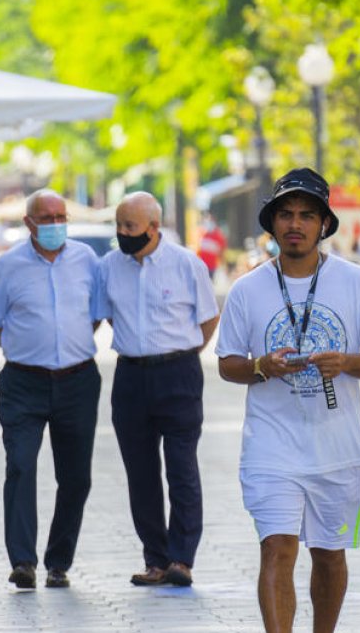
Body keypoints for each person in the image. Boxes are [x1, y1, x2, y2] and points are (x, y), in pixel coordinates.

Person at [216, 168, 360, 633]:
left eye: (306, 215)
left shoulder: (356, 283)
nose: (295, 224)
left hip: (336, 449)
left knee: (329, 554)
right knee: (277, 546)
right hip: (270, 446)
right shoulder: (247, 289)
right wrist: (262, 366)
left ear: (324, 225)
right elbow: (227, 364)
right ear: (272, 223)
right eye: (285, 215)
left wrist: (347, 362)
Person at [0, 189, 102, 591]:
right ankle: (22, 561)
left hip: (78, 381)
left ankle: (59, 561)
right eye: (45, 218)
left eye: (59, 216)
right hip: (23, 383)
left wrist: (65, 345)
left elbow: (95, 316)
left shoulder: (87, 260)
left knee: (76, 477)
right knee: (20, 464)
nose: (54, 225)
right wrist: (26, 346)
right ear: (29, 223)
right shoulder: (8, 266)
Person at [97, 192, 219, 588]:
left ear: (153, 227)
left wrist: (178, 354)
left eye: (129, 227)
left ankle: (182, 559)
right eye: (118, 226)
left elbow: (207, 319)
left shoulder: (186, 264)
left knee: (182, 466)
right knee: (141, 472)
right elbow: (108, 317)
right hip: (131, 377)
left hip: (178, 373)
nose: (122, 233)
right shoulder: (108, 267)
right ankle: (155, 558)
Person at [197, 214, 227, 279]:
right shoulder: (202, 233)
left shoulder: (218, 235)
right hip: (201, 266)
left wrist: (223, 265)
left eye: (210, 220)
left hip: (211, 266)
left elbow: (222, 250)